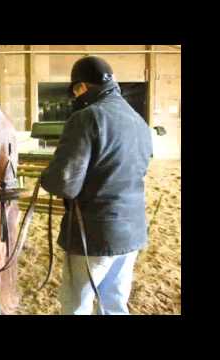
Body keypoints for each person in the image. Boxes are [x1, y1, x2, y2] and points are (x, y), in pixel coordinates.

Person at [40, 56, 153, 315]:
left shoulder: (87, 117)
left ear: (82, 87)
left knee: (76, 304)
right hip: (132, 230)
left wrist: (45, 177)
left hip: (94, 234)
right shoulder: (139, 121)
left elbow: (64, 184)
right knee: (114, 302)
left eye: (76, 91)